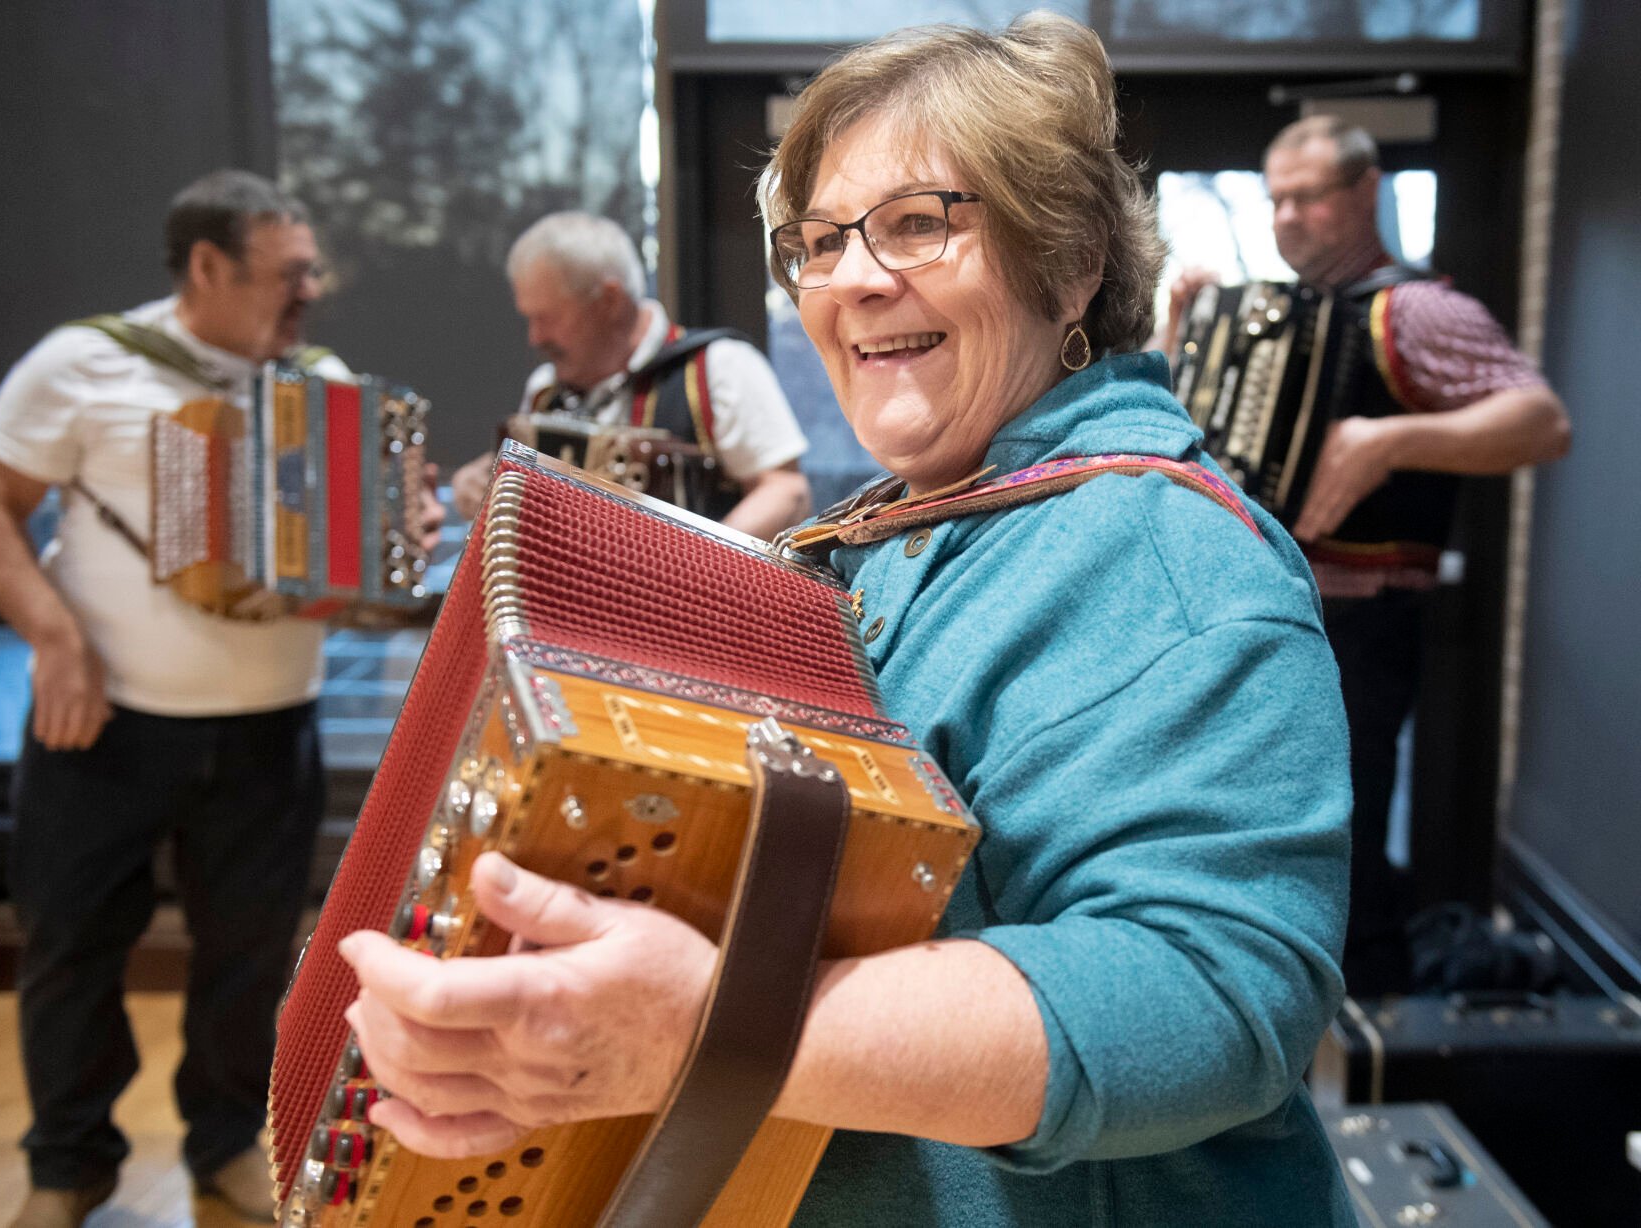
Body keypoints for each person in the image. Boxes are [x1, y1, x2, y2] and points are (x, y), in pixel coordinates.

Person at [337, 15, 1356, 1226]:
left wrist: (708, 1031)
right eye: (816, 242)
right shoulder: (891, 529)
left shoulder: (1166, 553)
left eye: (918, 222)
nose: (854, 279)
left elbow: (1205, 1000)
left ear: (1072, 259)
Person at [0, 170, 383, 1228]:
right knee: (69, 948)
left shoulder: (320, 383)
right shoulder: (83, 364)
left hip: (270, 730)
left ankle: (227, 1144)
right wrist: (54, 639)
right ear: (207, 267)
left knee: (245, 956)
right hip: (103, 726)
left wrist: (392, 528)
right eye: (289, 273)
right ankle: (69, 1166)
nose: (311, 291)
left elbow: (356, 574)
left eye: (314, 269)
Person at [1158, 115, 1571, 994]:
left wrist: (1388, 442)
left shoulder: (1415, 310)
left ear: (1365, 191)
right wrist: (1178, 334)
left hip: (1362, 622)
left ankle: (1365, 1024)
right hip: (1263, 614)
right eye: (1276, 200)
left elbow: (1540, 421)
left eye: (1308, 197)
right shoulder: (1272, 314)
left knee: (1336, 841)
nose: (1287, 218)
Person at [449, 212, 812, 539]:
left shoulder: (721, 366)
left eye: (548, 318)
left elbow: (786, 492)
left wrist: (690, 571)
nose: (535, 337)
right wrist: (482, 484)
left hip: (695, 607)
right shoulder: (545, 389)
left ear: (609, 301)